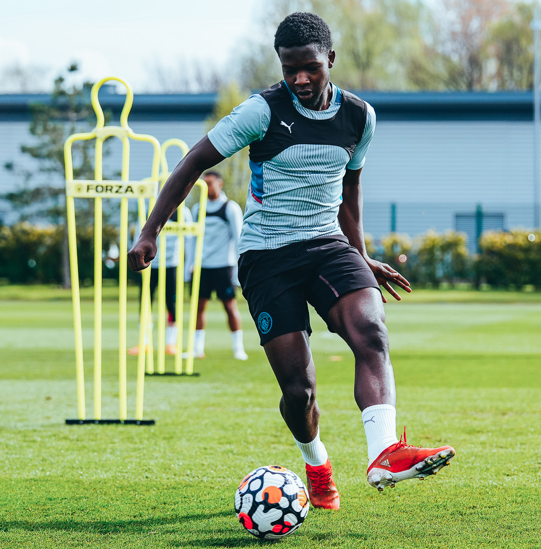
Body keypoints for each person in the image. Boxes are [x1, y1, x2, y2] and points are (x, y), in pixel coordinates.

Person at [129, 12, 454, 510]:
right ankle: (317, 464)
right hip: (267, 256)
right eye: (289, 69)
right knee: (300, 391)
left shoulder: (360, 117)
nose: (300, 79)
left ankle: (384, 452)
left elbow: (350, 188)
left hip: (327, 245)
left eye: (310, 68)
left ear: (331, 60)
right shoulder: (261, 112)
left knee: (372, 332)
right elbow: (193, 161)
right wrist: (150, 231)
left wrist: (362, 257)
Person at [186, 170, 247, 361]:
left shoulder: (230, 208)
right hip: (202, 267)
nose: (207, 187)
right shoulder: (197, 209)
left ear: (219, 184)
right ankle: (197, 348)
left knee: (229, 307)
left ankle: (238, 348)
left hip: (224, 266)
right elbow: (192, 240)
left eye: (210, 183)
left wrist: (239, 270)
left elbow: (239, 239)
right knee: (198, 307)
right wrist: (191, 264)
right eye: (204, 183)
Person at [128, 205, 192, 357]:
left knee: (171, 303)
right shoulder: (147, 209)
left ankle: (171, 343)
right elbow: (138, 233)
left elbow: (190, 238)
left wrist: (190, 262)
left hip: (172, 263)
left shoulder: (183, 211)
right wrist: (137, 259)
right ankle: (144, 342)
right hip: (150, 264)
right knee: (145, 303)